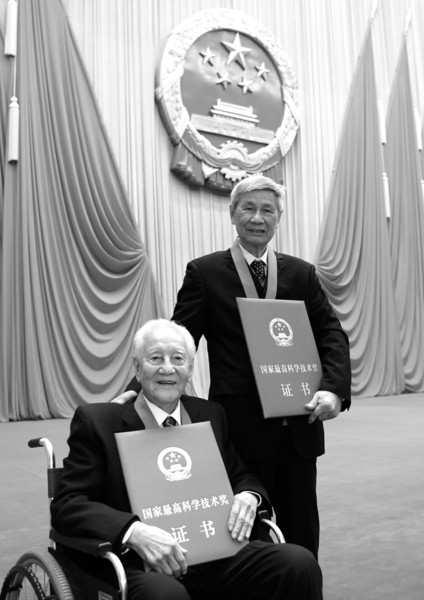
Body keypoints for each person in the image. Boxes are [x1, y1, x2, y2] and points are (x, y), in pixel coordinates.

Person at [121, 174, 351, 558]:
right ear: (232, 214)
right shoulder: (205, 272)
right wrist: (137, 390)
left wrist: (334, 390)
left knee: (301, 529)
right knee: (247, 530)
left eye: (268, 210)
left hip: (299, 422)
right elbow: (179, 338)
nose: (258, 218)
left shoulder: (302, 274)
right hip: (240, 426)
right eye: (249, 208)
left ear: (278, 218)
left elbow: (331, 334)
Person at [51, 319, 323, 600]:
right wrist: (133, 531)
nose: (167, 368)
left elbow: (240, 475)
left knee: (298, 564)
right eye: (155, 358)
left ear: (190, 369)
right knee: (165, 595)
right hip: (141, 562)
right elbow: (68, 504)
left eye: (178, 359)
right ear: (137, 368)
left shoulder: (210, 414)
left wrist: (249, 495)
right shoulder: (99, 422)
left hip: (215, 555)